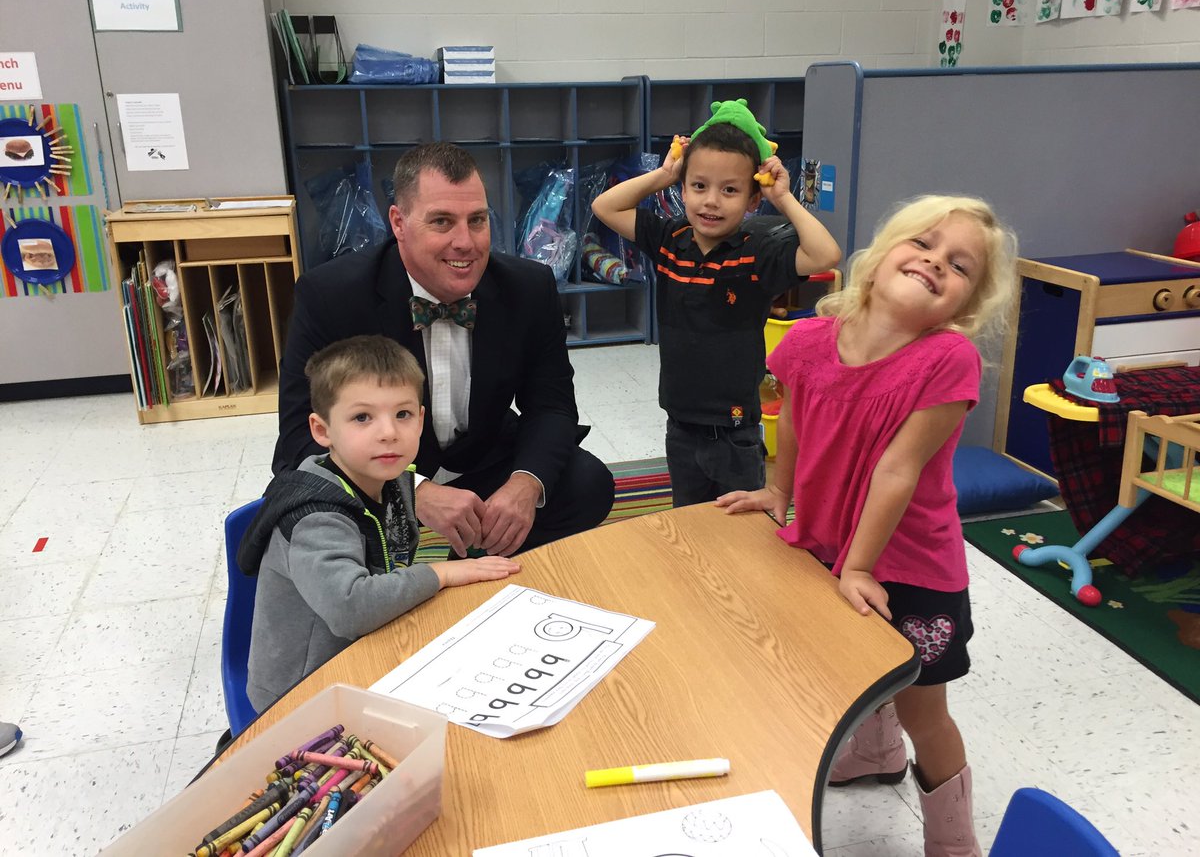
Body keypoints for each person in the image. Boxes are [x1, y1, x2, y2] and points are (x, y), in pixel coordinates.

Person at [717, 195, 1019, 857]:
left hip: (913, 568)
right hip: (831, 546)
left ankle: (953, 839)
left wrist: (857, 565)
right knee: (850, 670)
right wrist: (777, 490)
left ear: (964, 307)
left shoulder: (946, 362)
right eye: (926, 244)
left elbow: (896, 472)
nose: (936, 263)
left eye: (959, 265)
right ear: (882, 257)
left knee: (923, 709)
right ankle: (875, 753)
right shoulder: (805, 342)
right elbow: (791, 419)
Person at [273, 142, 614, 558]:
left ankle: (475, 565)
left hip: (480, 457)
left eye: (477, 220)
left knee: (587, 482)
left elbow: (552, 406)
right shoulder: (331, 295)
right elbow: (298, 438)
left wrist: (524, 484)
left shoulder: (529, 287)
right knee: (309, 515)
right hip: (375, 471)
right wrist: (413, 492)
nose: (465, 243)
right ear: (398, 223)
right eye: (441, 222)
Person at [242, 335, 522, 713]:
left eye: (403, 414)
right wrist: (440, 574)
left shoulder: (393, 480)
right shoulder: (316, 518)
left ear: (421, 420)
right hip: (301, 698)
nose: (389, 432)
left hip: (369, 652)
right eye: (362, 417)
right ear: (322, 431)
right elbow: (351, 608)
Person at [592, 104, 841, 507]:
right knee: (688, 525)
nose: (711, 202)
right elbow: (604, 207)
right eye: (699, 186)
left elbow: (825, 254)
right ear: (684, 189)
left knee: (740, 532)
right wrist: (664, 174)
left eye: (730, 190)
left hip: (735, 430)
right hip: (680, 421)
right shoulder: (670, 239)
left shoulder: (757, 252)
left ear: (752, 199)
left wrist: (784, 198)